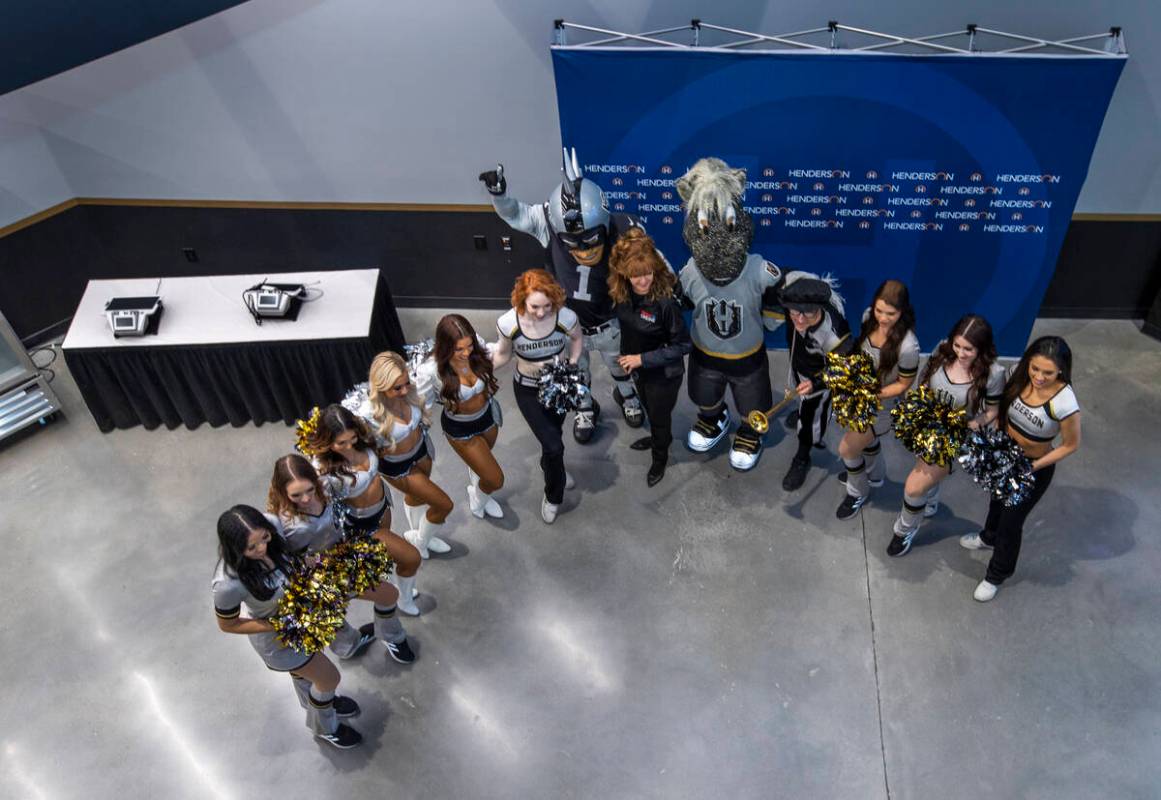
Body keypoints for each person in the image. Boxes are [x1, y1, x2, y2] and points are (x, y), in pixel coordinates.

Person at [479, 148, 646, 442]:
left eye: (591, 240)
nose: (583, 250)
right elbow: (516, 214)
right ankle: (585, 408)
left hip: (609, 321)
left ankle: (629, 398)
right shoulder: (548, 222)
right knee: (575, 372)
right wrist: (499, 196)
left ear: (604, 223)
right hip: (569, 324)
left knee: (620, 366)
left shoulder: (623, 229)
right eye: (573, 243)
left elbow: (651, 263)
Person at [213, 506, 388, 749]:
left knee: (311, 676)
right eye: (251, 548)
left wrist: (327, 562)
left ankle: (321, 701)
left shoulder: (273, 527)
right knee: (329, 678)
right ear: (234, 548)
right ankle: (325, 728)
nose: (262, 548)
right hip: (279, 640)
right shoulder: (228, 584)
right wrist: (278, 624)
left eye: (264, 538)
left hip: (306, 616)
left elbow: (295, 557)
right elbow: (228, 624)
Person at [674, 157, 787, 471]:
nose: (719, 245)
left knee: (752, 396)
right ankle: (714, 417)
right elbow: (679, 300)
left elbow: (775, 299)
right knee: (704, 390)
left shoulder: (758, 270)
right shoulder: (691, 271)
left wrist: (770, 319)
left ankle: (750, 430)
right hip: (705, 352)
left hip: (747, 354)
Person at [960, 336, 1081, 602]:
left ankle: (997, 574)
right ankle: (987, 537)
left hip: (1032, 468)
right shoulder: (1018, 375)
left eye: (1047, 372)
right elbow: (1002, 409)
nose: (1038, 376)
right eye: (1035, 368)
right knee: (995, 501)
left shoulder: (1065, 401)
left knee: (1011, 523)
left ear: (1061, 369)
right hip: (1004, 453)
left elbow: (1071, 445)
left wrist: (1034, 466)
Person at [886, 314, 1007, 557]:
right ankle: (930, 499)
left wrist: (973, 424)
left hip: (953, 438)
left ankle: (904, 530)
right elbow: (925, 385)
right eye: (958, 345)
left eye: (969, 349)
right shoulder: (942, 351)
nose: (961, 353)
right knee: (922, 474)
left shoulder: (993, 374)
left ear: (981, 348)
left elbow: (993, 411)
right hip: (925, 427)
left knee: (912, 488)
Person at [275, 432, 424, 617]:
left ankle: (389, 632)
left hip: (354, 544)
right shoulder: (289, 525)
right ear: (283, 493)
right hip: (332, 569)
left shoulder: (326, 486)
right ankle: (391, 637)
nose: (305, 499)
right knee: (388, 595)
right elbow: (294, 560)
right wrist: (324, 563)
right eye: (296, 495)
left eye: (309, 490)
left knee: (387, 590)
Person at [491, 268, 583, 523]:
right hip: (528, 389)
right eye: (534, 307)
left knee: (554, 439)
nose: (541, 312)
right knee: (554, 445)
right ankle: (554, 494)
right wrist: (480, 372)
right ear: (522, 299)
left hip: (559, 386)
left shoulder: (565, 316)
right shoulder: (508, 323)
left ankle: (555, 468)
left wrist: (573, 363)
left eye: (546, 305)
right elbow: (503, 354)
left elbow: (576, 339)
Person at [607, 227, 691, 486]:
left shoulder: (665, 303)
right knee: (648, 408)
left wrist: (641, 359)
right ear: (625, 275)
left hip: (664, 375)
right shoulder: (622, 295)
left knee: (659, 417)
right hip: (639, 371)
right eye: (636, 275)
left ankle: (659, 457)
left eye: (648, 273)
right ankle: (657, 439)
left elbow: (683, 345)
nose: (643, 281)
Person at [835, 280, 920, 519]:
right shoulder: (867, 318)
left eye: (890, 313)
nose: (882, 318)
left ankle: (857, 491)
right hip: (859, 397)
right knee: (864, 443)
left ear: (902, 312)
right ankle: (873, 475)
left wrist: (871, 393)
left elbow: (904, 384)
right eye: (879, 310)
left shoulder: (908, 347)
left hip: (880, 408)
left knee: (847, 450)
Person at [365, 352, 456, 559]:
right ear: (381, 386)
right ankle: (421, 540)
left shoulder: (414, 392)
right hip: (398, 468)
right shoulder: (369, 415)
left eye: (406, 383)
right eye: (397, 388)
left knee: (416, 497)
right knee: (444, 505)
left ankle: (418, 533)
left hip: (423, 453)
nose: (405, 390)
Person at [416, 314, 506, 520]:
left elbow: (497, 351)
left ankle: (479, 495)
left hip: (488, 418)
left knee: (482, 466)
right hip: (461, 430)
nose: (466, 353)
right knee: (495, 479)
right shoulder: (430, 370)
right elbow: (423, 408)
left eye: (469, 346)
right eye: (459, 349)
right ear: (446, 347)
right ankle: (479, 497)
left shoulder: (477, 345)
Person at [780, 275, 853, 491]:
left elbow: (843, 368)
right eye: (795, 312)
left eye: (809, 313)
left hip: (819, 381)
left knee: (810, 422)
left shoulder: (834, 332)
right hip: (798, 367)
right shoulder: (791, 309)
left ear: (819, 308)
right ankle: (802, 409)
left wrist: (816, 383)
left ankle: (802, 457)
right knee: (801, 401)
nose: (800, 320)